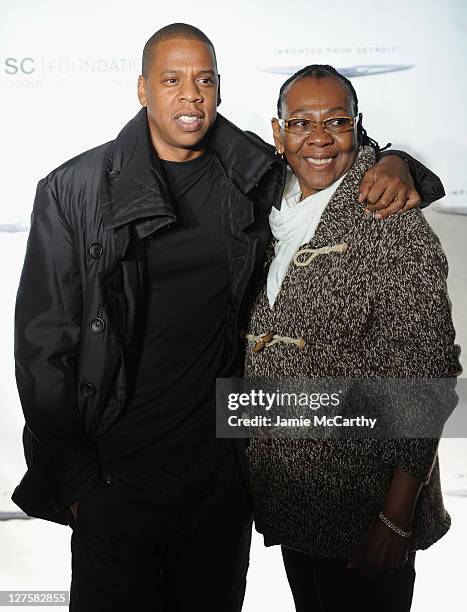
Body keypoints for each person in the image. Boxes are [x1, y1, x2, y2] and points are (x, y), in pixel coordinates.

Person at [12, 21, 444, 611]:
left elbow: (326, 155)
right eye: (172, 80)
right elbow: (44, 349)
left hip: (221, 482)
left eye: (205, 79)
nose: (191, 94)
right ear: (143, 89)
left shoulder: (246, 172)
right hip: (117, 482)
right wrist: (76, 482)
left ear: (218, 88)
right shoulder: (74, 189)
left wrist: (397, 162)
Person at [244, 64, 462, 612]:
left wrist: (396, 516)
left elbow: (427, 379)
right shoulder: (267, 199)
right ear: (278, 132)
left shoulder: (392, 219)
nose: (319, 138)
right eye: (301, 123)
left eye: (336, 121)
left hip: (367, 506)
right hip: (293, 499)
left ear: (359, 128)